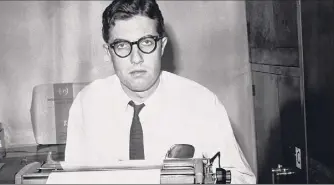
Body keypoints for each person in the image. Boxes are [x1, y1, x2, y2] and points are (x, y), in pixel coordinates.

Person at [64, 0, 256, 183]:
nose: (136, 58)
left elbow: (242, 178)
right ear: (108, 53)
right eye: (122, 45)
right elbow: (71, 180)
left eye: (146, 42)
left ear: (161, 46)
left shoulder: (202, 103)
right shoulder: (86, 104)